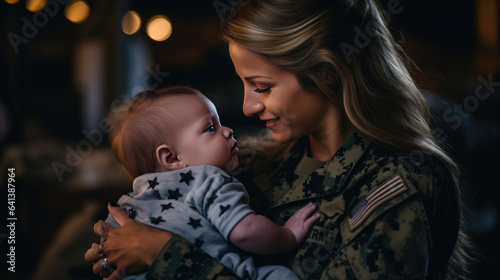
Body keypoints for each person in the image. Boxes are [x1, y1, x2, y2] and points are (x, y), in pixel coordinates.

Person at [85, 0, 473, 279]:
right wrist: (116, 246)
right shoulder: (254, 161)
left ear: (326, 72)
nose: (248, 107)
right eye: (244, 84)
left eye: (262, 87)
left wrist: (163, 257)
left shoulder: (398, 181)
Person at [87, 86, 320, 280]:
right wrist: (288, 234)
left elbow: (109, 258)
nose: (227, 131)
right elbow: (244, 231)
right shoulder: (208, 179)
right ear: (172, 158)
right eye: (211, 128)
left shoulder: (128, 205)